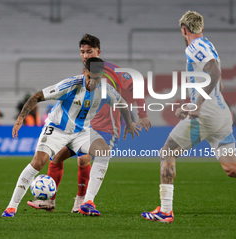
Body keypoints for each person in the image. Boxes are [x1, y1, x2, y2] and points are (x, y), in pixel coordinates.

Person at [2, 57, 141, 217]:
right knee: (38, 163)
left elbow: (121, 102)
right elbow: (38, 96)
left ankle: (88, 202)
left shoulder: (104, 89)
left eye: (97, 78)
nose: (92, 82)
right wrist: (20, 118)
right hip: (57, 129)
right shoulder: (70, 85)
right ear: (84, 73)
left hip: (81, 133)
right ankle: (12, 207)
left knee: (104, 152)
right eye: (90, 77)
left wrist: (129, 123)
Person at [28, 33, 151, 213]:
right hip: (85, 127)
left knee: (85, 158)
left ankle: (82, 201)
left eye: (90, 51)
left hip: (106, 128)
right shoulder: (85, 74)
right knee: (58, 157)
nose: (86, 55)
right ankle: (55, 201)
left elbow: (136, 85)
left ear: (98, 51)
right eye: (83, 52)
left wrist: (142, 114)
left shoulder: (111, 71)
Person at [141, 11, 236, 224]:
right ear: (201, 28)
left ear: (184, 30)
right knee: (233, 169)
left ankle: (166, 211)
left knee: (167, 152)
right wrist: (189, 106)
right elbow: (214, 82)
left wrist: (198, 105)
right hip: (221, 113)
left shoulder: (193, 47)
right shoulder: (208, 45)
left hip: (206, 114)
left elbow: (214, 73)